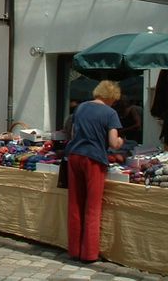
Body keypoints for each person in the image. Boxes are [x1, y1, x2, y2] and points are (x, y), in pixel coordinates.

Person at [65, 80, 124, 263]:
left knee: (75, 204)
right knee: (92, 207)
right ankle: (89, 254)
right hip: (94, 159)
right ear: (111, 97)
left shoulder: (81, 107)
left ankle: (74, 250)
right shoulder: (110, 113)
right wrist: (121, 142)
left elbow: (72, 132)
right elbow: (114, 143)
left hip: (74, 155)